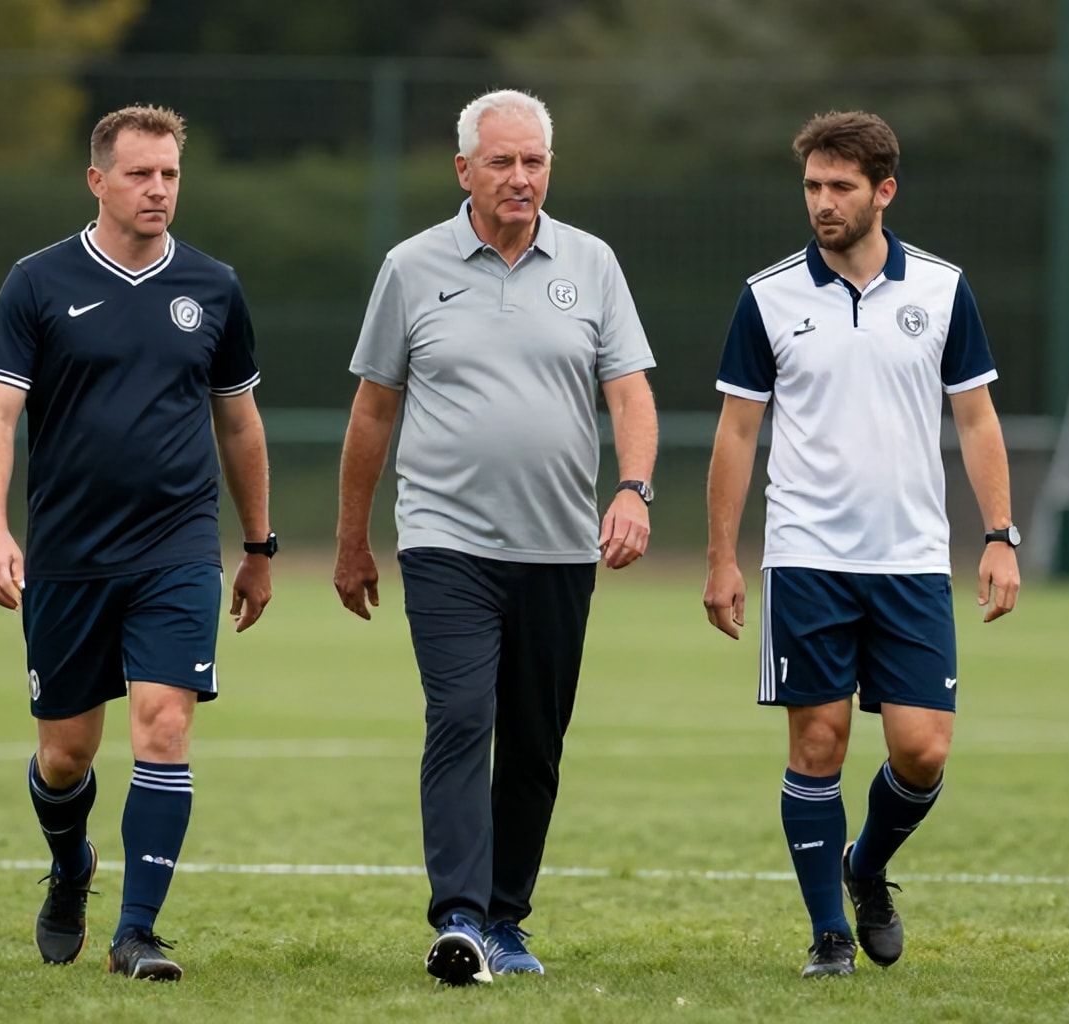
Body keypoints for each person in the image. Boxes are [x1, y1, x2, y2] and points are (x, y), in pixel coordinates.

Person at [334, 88, 659, 986]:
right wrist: (353, 538)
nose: (522, 179)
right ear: (464, 169)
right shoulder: (410, 266)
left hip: (559, 548)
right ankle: (462, 921)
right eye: (504, 162)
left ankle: (508, 919)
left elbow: (629, 393)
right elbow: (374, 409)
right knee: (461, 717)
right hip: (444, 543)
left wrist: (632, 490)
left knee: (533, 741)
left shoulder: (592, 264)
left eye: (536, 163)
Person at [703, 110, 1019, 978]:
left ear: (884, 191)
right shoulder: (767, 296)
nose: (823, 202)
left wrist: (999, 534)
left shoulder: (944, 290)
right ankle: (828, 938)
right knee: (819, 746)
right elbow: (736, 434)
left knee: (923, 750)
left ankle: (866, 867)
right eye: (812, 186)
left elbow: (978, 417)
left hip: (913, 559)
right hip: (806, 556)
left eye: (841, 186)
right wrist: (723, 557)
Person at [0, 104, 273, 983]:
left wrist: (258, 545)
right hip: (67, 555)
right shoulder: (37, 281)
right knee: (65, 754)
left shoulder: (213, 286)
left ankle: (136, 933)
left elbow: (240, 423)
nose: (158, 190)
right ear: (97, 180)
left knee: (164, 727)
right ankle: (70, 868)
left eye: (170, 174)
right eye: (140, 174)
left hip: (177, 548)